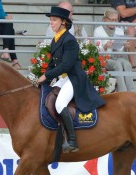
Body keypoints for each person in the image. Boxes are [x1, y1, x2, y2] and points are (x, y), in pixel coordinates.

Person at [37, 6, 105, 153]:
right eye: (50, 20)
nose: (51, 23)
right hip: (63, 78)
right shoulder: (56, 39)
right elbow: (51, 64)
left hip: (73, 78)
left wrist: (47, 75)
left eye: (54, 20)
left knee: (60, 104)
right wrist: (43, 79)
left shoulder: (69, 40)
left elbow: (66, 65)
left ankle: (72, 141)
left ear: (63, 22)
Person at [94, 8, 134, 92]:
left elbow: (120, 50)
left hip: (117, 56)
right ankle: (123, 92)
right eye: (111, 20)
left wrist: (125, 46)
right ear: (105, 19)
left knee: (127, 64)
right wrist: (105, 47)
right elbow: (97, 51)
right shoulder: (98, 30)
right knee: (117, 65)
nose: (114, 22)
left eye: (116, 20)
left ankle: (131, 92)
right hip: (105, 58)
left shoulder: (120, 30)